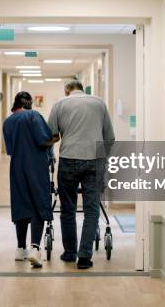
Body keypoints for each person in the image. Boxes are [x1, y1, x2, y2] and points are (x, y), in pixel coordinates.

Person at [47, 80, 115, 269]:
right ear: (82, 89)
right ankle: (84, 256)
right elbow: (109, 138)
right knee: (91, 209)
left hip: (69, 159)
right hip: (94, 160)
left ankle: (69, 253)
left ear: (67, 90)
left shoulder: (60, 104)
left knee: (68, 208)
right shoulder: (99, 103)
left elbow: (52, 135)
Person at [3, 91, 58, 268]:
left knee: (20, 203)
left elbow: (10, 150)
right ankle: (35, 249)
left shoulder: (8, 122)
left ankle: (20, 249)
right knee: (38, 204)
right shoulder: (33, 115)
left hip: (17, 167)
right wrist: (55, 138)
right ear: (28, 103)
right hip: (36, 166)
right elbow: (45, 140)